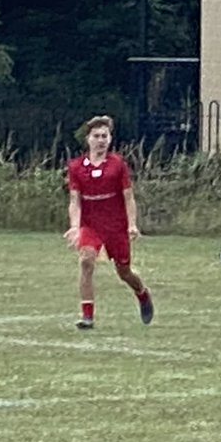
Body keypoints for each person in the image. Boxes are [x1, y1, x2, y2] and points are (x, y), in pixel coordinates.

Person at [63, 115, 154, 330]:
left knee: (124, 271)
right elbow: (75, 201)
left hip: (115, 225)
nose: (101, 140)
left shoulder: (117, 164)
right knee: (86, 260)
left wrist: (132, 224)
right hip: (90, 224)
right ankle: (87, 316)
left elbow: (128, 197)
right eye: (97, 136)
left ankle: (142, 294)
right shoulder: (76, 167)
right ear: (88, 139)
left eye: (105, 136)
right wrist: (75, 227)